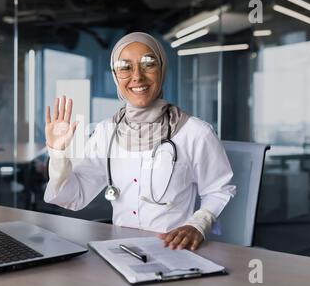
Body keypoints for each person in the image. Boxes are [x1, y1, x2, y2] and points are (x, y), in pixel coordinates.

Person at [44, 32, 236, 251]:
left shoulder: (195, 132)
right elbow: (75, 197)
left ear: (162, 69)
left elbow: (219, 189)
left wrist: (198, 225)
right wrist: (58, 153)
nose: (137, 76)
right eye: (125, 67)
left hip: (174, 251)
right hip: (119, 250)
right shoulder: (106, 132)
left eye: (148, 64)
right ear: (116, 75)